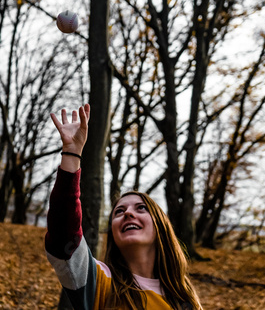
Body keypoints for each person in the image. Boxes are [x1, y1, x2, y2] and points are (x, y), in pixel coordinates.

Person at [45, 104, 203, 310]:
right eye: (119, 212)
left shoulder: (185, 300)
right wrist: (72, 154)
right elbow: (63, 236)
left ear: (160, 226)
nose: (128, 213)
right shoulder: (97, 280)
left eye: (141, 208)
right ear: (113, 232)